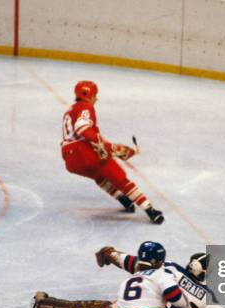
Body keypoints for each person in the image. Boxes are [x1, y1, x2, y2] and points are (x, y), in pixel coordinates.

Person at [61, 80, 164, 224]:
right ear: (89, 95)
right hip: (84, 153)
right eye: (95, 95)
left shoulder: (70, 109)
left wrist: (110, 147)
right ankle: (150, 210)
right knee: (121, 180)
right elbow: (82, 128)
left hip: (70, 159)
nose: (96, 98)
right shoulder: (86, 107)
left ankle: (124, 200)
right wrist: (107, 147)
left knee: (99, 176)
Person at [96, 246, 225, 308]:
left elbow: (133, 262)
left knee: (126, 302)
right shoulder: (206, 297)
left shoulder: (168, 267)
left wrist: (112, 254)